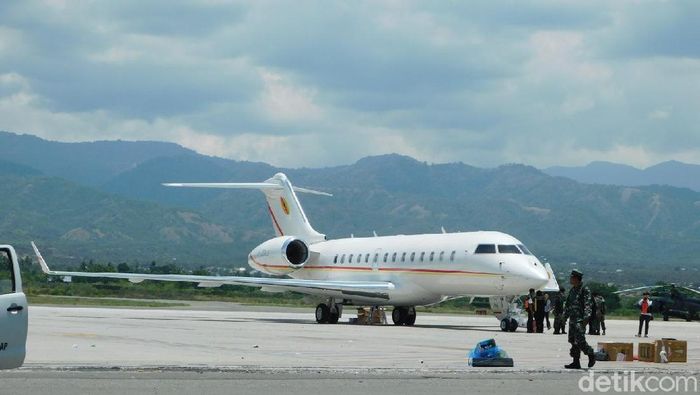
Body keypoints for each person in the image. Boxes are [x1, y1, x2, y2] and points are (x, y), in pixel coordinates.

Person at [563, 269, 595, 369]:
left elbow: (588, 305)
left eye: (571, 277)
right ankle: (576, 362)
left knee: (580, 341)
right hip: (572, 320)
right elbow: (568, 305)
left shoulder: (584, 290)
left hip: (580, 320)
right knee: (573, 341)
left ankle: (591, 354)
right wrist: (564, 317)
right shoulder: (573, 290)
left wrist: (586, 319)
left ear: (576, 278)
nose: (570, 279)